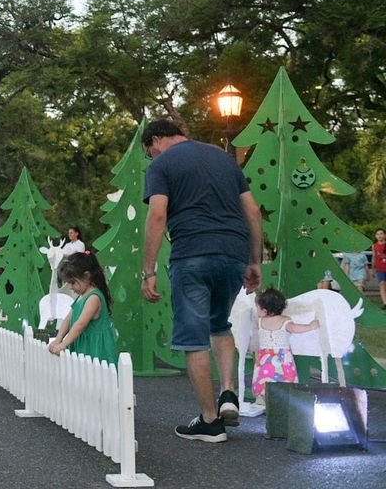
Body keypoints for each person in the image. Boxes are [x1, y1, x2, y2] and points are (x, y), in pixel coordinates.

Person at [141, 118, 263, 443]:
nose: (152, 157)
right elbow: (252, 212)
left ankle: (210, 421)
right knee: (219, 323)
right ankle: (227, 394)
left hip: (192, 253)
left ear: (155, 141)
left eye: (149, 151)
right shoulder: (223, 158)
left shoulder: (162, 165)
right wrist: (254, 260)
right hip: (234, 253)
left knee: (193, 336)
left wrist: (149, 270)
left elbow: (157, 215)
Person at [250, 287, 320, 403]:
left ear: (265, 310)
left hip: (264, 358)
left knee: (264, 377)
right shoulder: (284, 320)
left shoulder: (260, 321)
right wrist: (310, 326)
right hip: (282, 357)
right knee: (284, 377)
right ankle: (283, 399)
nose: (256, 309)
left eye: (258, 307)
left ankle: (263, 398)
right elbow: (295, 328)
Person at [48, 251, 117, 365]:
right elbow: (68, 319)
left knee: (97, 377)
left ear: (86, 276)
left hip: (95, 348)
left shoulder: (93, 298)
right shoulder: (81, 297)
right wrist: (58, 338)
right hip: (84, 344)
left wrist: (64, 344)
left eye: (73, 282)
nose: (70, 287)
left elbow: (81, 323)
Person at [374, 228, 386, 310]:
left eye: (381, 233)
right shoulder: (374, 245)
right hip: (380, 268)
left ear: (385, 235)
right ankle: (385, 303)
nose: (379, 235)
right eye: (378, 234)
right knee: (382, 284)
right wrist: (373, 267)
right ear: (375, 236)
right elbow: (374, 257)